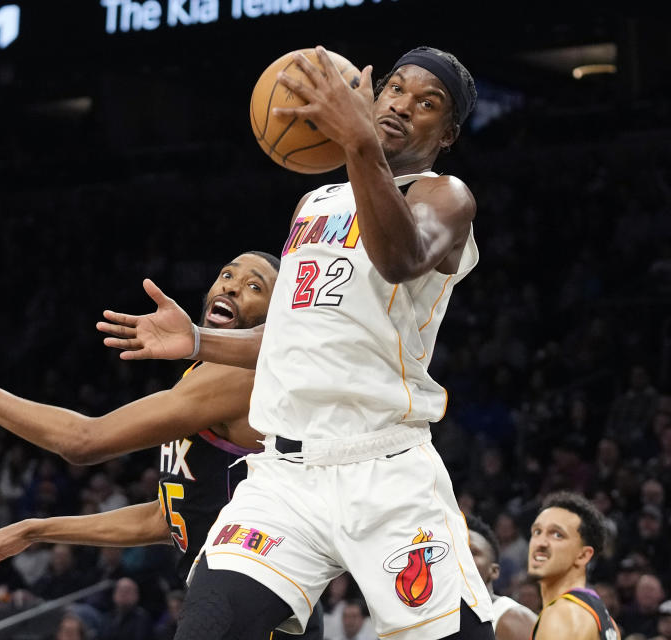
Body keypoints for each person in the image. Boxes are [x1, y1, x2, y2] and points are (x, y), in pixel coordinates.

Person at [98, 45, 493, 639]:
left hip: (382, 469)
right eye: (396, 89)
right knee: (208, 625)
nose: (404, 105)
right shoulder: (315, 201)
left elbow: (401, 257)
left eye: (428, 102)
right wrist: (198, 341)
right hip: (285, 477)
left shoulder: (445, 196)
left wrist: (359, 142)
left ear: (449, 132)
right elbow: (287, 333)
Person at [0, 252, 324, 639]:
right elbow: (164, 517)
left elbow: (82, 442)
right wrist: (35, 528)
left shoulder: (240, 376)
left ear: (275, 313)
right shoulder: (201, 379)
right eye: (227, 274)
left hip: (258, 585)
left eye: (254, 285)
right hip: (240, 590)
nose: (231, 285)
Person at [527, 491, 620, 640]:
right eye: (537, 531)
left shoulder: (561, 617)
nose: (541, 542)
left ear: (583, 555)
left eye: (557, 534)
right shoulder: (604, 618)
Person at [465, 514, 537, 639]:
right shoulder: (438, 615)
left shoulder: (514, 618)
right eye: (456, 551)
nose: (460, 558)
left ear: (494, 571)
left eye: (472, 552)